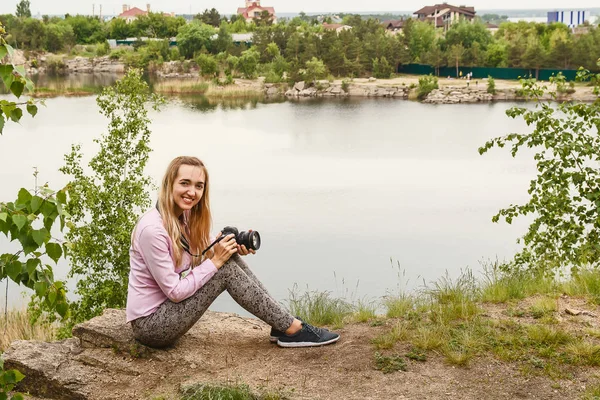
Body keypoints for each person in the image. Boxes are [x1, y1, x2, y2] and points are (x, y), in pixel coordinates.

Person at [126, 156, 340, 348]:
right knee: (223, 270)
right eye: (185, 183)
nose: (192, 192)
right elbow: (174, 291)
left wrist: (226, 245)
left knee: (226, 256)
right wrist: (215, 261)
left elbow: (200, 248)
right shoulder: (152, 230)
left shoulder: (184, 216)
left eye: (199, 186)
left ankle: (281, 323)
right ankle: (291, 328)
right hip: (152, 326)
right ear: (168, 184)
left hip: (168, 312)